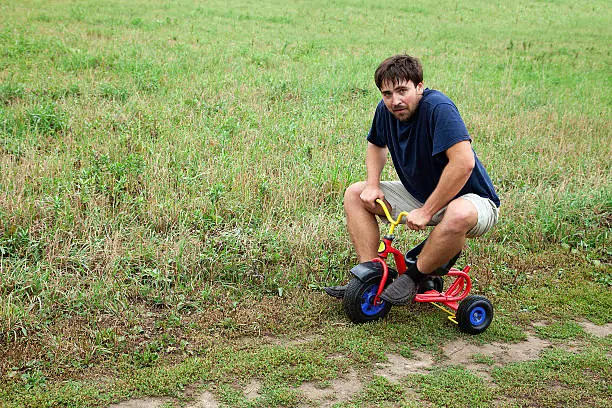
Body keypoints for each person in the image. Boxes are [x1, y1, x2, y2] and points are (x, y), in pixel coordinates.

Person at [325, 54, 500, 305]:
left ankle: (413, 277)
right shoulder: (386, 111)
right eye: (387, 94)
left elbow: (463, 163)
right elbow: (376, 144)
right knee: (355, 193)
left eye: (402, 90)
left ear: (419, 87)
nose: (395, 101)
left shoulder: (439, 108)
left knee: (459, 213)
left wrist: (427, 211)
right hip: (422, 195)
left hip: (472, 200)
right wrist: (373, 184)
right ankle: (369, 276)